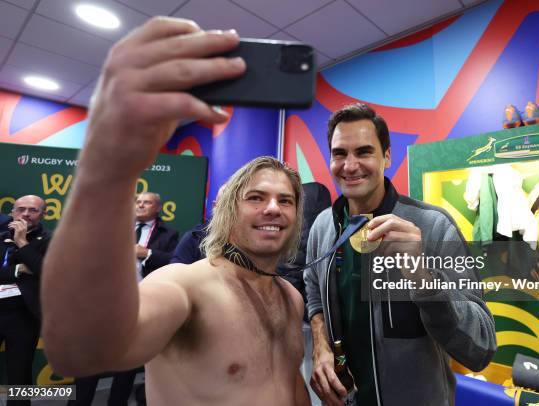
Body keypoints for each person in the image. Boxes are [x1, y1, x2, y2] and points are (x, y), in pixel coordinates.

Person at [41, 17, 309, 406]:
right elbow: (81, 350)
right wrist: (106, 169)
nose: (273, 208)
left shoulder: (290, 297)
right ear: (227, 211)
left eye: (286, 200)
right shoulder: (188, 286)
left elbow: (289, 387)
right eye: (256, 198)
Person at [304, 103, 497, 406]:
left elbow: (481, 348)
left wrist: (423, 279)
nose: (350, 165)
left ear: (387, 157)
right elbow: (313, 283)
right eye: (339, 153)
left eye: (364, 152)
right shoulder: (323, 226)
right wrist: (320, 343)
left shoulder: (433, 227)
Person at [70, 192, 179, 405]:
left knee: (128, 363)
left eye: (146, 202)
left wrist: (146, 254)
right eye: (137, 202)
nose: (140, 205)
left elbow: (174, 262)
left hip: (141, 305)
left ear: (158, 208)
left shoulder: (169, 234)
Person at [0, 195, 51, 406]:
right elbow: (29, 268)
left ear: (44, 214)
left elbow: (45, 271)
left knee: (18, 375)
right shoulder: (1, 235)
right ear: (12, 212)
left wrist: (22, 242)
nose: (26, 214)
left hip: (23, 316)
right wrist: (20, 269)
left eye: (33, 210)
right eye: (21, 209)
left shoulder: (51, 239)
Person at [170, 185, 225, 265]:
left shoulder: (248, 239)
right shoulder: (195, 238)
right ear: (215, 206)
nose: (232, 209)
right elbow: (175, 273)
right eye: (226, 203)